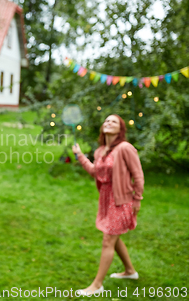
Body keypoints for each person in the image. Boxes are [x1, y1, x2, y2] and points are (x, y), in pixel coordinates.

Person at [72, 114, 144, 296]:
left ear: (120, 129)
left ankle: (97, 285)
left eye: (114, 121)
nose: (108, 122)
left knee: (108, 240)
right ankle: (130, 271)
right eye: (106, 120)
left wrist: (137, 199)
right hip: (106, 200)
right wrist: (80, 155)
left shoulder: (125, 148)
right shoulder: (100, 151)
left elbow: (139, 175)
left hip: (122, 201)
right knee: (113, 236)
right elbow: (95, 172)